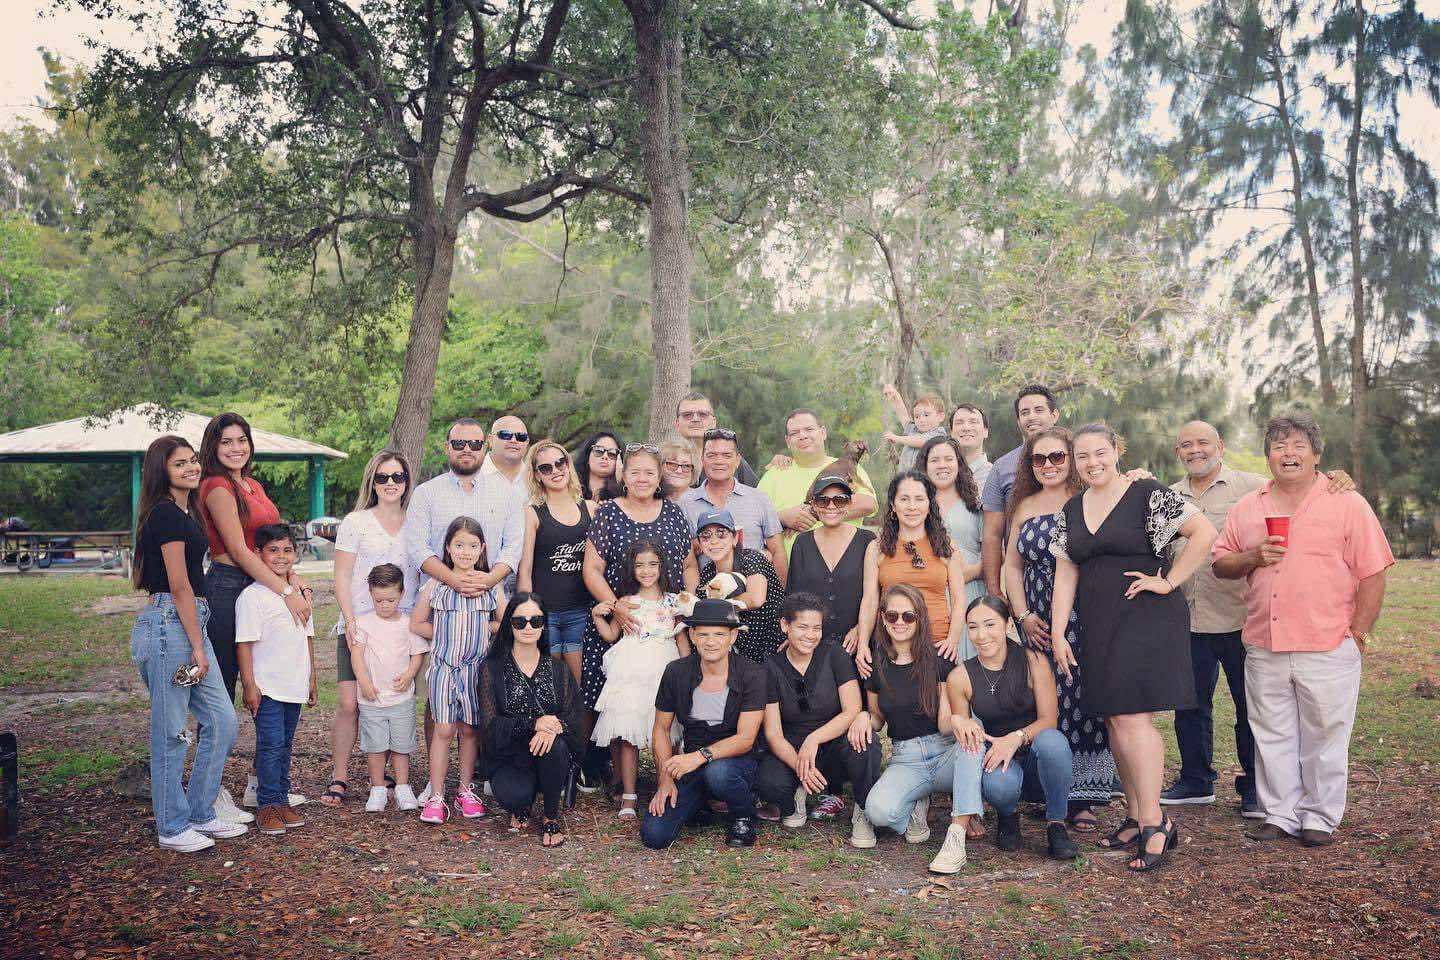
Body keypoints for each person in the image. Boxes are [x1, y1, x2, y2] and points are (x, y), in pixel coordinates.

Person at [1213, 413, 1392, 847]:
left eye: (1297, 446)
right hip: (1264, 642)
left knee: (1326, 733)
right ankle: (1280, 813)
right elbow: (1221, 563)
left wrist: (1359, 630)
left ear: (1316, 455)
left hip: (1327, 642)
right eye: (1278, 446)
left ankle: (1320, 816)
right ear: (1268, 456)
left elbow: (1373, 570)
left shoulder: (1346, 502)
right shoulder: (1249, 506)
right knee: (1271, 733)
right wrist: (1253, 556)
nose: (1288, 454)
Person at [1049, 423, 1218, 872]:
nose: (1092, 463)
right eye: (1082, 456)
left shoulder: (1147, 493)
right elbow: (1066, 571)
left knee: (1133, 719)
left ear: (1116, 451)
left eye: (1100, 453)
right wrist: (1058, 631)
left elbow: (1203, 533)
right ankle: (1133, 814)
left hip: (1144, 619)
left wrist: (1168, 581)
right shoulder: (1073, 507)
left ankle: (1156, 822)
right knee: (1113, 719)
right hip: (1098, 624)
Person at [1163, 421, 1352, 816]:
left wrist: (1336, 477)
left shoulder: (1251, 487)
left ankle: (1254, 786)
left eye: (1202, 443)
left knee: (1252, 707)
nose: (1194, 450)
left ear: (1221, 445)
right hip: (1185, 617)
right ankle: (1196, 780)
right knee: (1189, 704)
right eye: (1185, 445)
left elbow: (1301, 483)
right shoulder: (1167, 496)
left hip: (1241, 616)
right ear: (1178, 452)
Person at [129, 435, 244, 852]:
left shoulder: (185, 512)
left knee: (223, 720)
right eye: (180, 464)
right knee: (172, 731)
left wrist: (198, 637)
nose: (192, 468)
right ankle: (172, 827)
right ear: (163, 471)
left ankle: (200, 810)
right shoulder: (164, 515)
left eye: (193, 460)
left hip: (190, 624)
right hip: (170, 628)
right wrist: (198, 646)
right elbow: (178, 585)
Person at [402, 417, 525, 801]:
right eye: (459, 444)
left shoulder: (505, 494)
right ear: (447, 447)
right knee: (436, 702)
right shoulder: (427, 493)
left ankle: (472, 780)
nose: (467, 450)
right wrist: (453, 580)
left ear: (485, 446)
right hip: (441, 599)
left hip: (487, 604)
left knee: (480, 699)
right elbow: (418, 548)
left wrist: (488, 581)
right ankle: (434, 780)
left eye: (474, 443)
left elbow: (511, 548)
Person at [1002, 426, 1115, 828]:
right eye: (1039, 459)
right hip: (1036, 621)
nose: (1048, 465)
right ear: (1029, 465)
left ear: (1071, 458)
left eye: (1057, 457)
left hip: (1087, 615)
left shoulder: (1090, 499)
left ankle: (1082, 796)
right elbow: (1012, 567)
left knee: (1082, 699)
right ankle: (1045, 788)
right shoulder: (1023, 506)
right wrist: (1022, 615)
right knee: (1044, 699)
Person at [197, 416, 311, 799]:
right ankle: (207, 794)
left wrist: (290, 576)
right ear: (213, 446)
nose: (235, 448)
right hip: (229, 588)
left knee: (269, 681)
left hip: (260, 583)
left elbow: (269, 542)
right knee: (225, 689)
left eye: (241, 440)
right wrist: (284, 589)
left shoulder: (253, 485)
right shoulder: (215, 486)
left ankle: (261, 783)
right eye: (226, 441)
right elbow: (240, 549)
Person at [580, 444, 699, 792]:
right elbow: (592, 569)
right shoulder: (608, 514)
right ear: (624, 477)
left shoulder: (674, 512)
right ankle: (620, 778)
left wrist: (686, 601)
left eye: (650, 472)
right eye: (635, 472)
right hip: (626, 625)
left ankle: (676, 776)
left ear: (659, 475)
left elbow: (689, 565)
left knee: (671, 696)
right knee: (622, 702)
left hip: (667, 623)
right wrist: (615, 604)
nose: (643, 478)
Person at [947, 596, 1080, 861]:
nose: (981, 635)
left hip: (1036, 754)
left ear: (1008, 625)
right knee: (999, 786)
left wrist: (1015, 738)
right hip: (997, 757)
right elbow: (966, 742)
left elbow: (1048, 720)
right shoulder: (960, 677)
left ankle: (1056, 823)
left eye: (989, 625)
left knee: (1053, 742)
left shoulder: (1034, 661)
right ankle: (1007, 816)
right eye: (972, 627)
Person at [322, 449, 416, 809]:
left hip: (400, 628)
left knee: (395, 697)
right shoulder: (356, 521)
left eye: (397, 476)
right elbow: (342, 575)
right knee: (350, 703)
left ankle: (390, 774)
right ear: (372, 482)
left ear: (407, 482)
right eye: (382, 477)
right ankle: (340, 775)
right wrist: (349, 621)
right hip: (360, 624)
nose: (390, 483)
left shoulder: (416, 521)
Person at [641, 599, 768, 850]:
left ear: (732, 636)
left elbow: (745, 738)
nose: (711, 642)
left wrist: (699, 757)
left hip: (737, 761)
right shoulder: (676, 672)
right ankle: (700, 804)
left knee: (718, 773)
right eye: (704, 634)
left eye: (719, 634)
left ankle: (742, 815)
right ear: (692, 635)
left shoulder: (751, 673)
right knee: (654, 835)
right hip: (692, 763)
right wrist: (665, 780)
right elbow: (661, 729)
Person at [755, 593, 880, 847]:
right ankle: (797, 793)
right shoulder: (769, 667)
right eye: (802, 627)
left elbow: (852, 709)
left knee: (865, 743)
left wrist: (815, 738)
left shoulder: (834, 655)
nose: (810, 635)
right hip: (791, 747)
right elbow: (774, 734)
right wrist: (801, 765)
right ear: (785, 626)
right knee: (768, 783)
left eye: (816, 628)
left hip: (833, 740)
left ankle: (864, 810)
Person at [854, 585, 962, 871]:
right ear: (882, 618)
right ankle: (916, 801)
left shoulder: (941, 660)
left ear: (920, 618)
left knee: (976, 764)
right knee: (878, 813)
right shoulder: (877, 664)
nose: (899, 622)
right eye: (892, 615)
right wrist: (865, 718)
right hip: (906, 756)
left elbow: (953, 720)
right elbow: (877, 717)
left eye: (908, 616)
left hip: (944, 750)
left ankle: (963, 820)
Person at [410, 516, 500, 824]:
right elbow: (417, 623)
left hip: (475, 669)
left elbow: (504, 622)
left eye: (472, 545)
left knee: (469, 730)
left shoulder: (490, 585)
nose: (465, 551)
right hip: (444, 668)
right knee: (444, 729)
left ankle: (464, 790)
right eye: (459, 545)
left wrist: (486, 626)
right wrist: (445, 633)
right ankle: (436, 795)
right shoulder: (436, 585)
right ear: (448, 548)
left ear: (482, 549)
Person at [591, 539, 689, 819]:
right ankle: (630, 795)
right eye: (639, 565)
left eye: (652, 564)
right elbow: (611, 635)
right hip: (631, 668)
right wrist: (598, 616)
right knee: (628, 732)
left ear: (662, 567)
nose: (646, 570)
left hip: (664, 667)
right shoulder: (626, 602)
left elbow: (682, 641)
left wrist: (686, 673)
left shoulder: (674, 601)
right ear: (631, 569)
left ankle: (666, 784)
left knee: (668, 730)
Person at [479, 592, 585, 848]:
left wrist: (553, 727)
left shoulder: (558, 669)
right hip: (510, 757)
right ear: (509, 625)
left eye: (536, 621)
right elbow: (491, 725)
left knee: (556, 743)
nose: (528, 627)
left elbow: (574, 714)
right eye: (520, 621)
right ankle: (522, 803)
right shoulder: (492, 669)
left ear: (544, 625)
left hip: (550, 755)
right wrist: (533, 724)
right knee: (514, 797)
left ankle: (550, 816)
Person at [235, 524, 318, 837]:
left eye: (287, 550)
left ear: (295, 554)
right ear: (258, 554)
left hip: (294, 684)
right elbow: (244, 643)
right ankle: (267, 805)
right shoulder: (252, 597)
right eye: (273, 550)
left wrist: (312, 679)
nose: (281, 557)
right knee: (269, 746)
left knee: (285, 745)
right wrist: (249, 684)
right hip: (267, 687)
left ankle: (281, 799)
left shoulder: (299, 595)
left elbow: (307, 637)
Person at [857, 472, 970, 671]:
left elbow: (959, 599)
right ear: (893, 505)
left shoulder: (946, 546)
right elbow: (870, 600)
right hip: (891, 648)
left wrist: (952, 640)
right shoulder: (876, 549)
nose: (911, 507)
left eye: (919, 499)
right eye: (904, 499)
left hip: (938, 646)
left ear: (929, 504)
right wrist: (863, 644)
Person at [347, 563, 428, 813]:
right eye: (379, 599)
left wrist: (409, 674)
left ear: (401, 593)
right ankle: (378, 789)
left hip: (401, 698)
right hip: (372, 699)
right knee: (375, 746)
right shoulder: (363, 623)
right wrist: (364, 683)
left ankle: (403, 787)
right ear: (370, 593)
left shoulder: (407, 623)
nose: (384, 605)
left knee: (402, 746)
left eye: (390, 599)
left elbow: (417, 654)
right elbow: (356, 656)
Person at [518, 440, 593, 687]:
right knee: (548, 685)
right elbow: (525, 568)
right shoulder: (532, 512)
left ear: (569, 464)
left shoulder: (590, 508)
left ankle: (578, 729)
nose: (555, 471)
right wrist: (527, 611)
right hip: (544, 612)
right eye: (546, 468)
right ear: (537, 475)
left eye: (560, 463)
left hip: (580, 611)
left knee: (579, 686)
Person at [757, 409, 877, 557]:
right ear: (788, 441)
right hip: (786, 576)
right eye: (795, 433)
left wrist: (814, 512)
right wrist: (781, 518)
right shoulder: (773, 475)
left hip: (846, 572)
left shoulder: (847, 467)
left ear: (823, 432)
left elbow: (868, 504)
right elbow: (753, 519)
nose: (803, 436)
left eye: (809, 429)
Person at [980, 386, 1062, 595]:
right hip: (1025, 581)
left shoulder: (1076, 457)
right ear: (1018, 421)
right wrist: (994, 590)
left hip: (1079, 574)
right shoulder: (1002, 468)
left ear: (1054, 415)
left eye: (1039, 410)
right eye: (1025, 413)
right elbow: (992, 534)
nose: (1031, 417)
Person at [679, 428, 787, 580]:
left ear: (737, 460)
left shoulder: (759, 499)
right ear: (702, 460)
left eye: (726, 455)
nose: (719, 461)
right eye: (712, 455)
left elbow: (777, 552)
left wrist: (781, 598)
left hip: (757, 595)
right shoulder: (685, 503)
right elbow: (687, 562)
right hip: (707, 597)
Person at [787, 475, 877, 654]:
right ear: (813, 505)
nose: (831, 506)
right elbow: (794, 596)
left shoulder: (867, 541)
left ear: (850, 504)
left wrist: (861, 628)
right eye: (822, 500)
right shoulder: (802, 542)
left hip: (857, 646)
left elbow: (876, 593)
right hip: (813, 646)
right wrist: (792, 637)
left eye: (840, 500)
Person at [693, 509, 786, 664]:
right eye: (706, 536)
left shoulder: (751, 558)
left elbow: (755, 599)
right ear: (700, 544)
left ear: (735, 538)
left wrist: (715, 605)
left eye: (721, 533)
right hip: (735, 658)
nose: (714, 541)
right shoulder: (707, 573)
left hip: (771, 653)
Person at [921, 436, 985, 654]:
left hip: (970, 590)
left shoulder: (976, 505)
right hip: (930, 592)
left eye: (948, 459)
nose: (942, 465)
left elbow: (997, 553)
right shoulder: (916, 505)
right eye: (935, 460)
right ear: (925, 465)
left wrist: (970, 572)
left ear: (959, 463)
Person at [674, 391, 759, 486]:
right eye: (687, 415)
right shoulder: (666, 462)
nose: (695, 419)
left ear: (713, 422)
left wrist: (777, 467)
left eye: (702, 414)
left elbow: (760, 496)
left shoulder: (732, 462)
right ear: (677, 424)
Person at [881, 385, 947, 474]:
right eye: (917, 416)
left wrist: (897, 438)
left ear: (940, 416)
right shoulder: (913, 429)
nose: (921, 419)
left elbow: (921, 441)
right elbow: (902, 414)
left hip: (924, 482)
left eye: (926, 415)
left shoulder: (939, 434)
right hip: (905, 479)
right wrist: (895, 395)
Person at [481, 415, 532, 490]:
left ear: (527, 442)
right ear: (491, 440)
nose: (513, 440)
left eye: (521, 437)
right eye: (505, 435)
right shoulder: (469, 476)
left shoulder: (538, 480)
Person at [950, 403, 992, 490]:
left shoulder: (997, 476)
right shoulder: (940, 475)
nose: (966, 428)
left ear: (985, 431)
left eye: (973, 422)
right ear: (951, 433)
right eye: (959, 422)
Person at [575, 431, 624, 504]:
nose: (605, 456)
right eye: (599, 450)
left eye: (612, 453)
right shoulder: (571, 490)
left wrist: (620, 481)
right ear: (587, 455)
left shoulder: (624, 495)